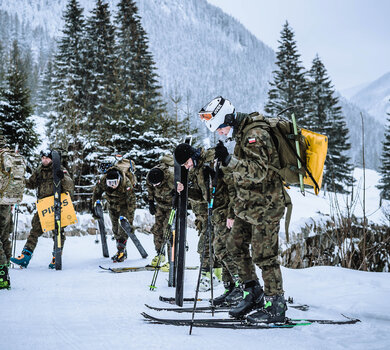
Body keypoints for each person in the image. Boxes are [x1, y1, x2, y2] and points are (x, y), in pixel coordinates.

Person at [198, 96, 289, 323]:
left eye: (220, 128)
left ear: (229, 119)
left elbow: (258, 172)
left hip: (266, 206)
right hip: (247, 206)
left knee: (264, 255)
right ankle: (253, 292)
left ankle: (275, 304)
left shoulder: (255, 135)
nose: (219, 133)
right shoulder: (241, 135)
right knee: (234, 245)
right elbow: (241, 177)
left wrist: (229, 161)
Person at [11, 149, 74, 269]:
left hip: (57, 204)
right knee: (35, 230)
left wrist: (62, 177)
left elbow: (70, 186)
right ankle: (26, 255)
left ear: (52, 159)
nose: (44, 160)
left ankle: (57, 256)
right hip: (43, 206)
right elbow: (31, 183)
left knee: (58, 231)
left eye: (47, 158)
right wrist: (20, 180)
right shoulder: (39, 170)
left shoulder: (59, 168)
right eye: (43, 158)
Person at [174, 144, 224, 292]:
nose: (187, 166)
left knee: (205, 246)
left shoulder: (207, 163)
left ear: (192, 156)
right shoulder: (196, 167)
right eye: (184, 165)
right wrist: (186, 191)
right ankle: (216, 275)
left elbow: (212, 194)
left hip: (216, 212)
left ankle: (206, 277)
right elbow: (202, 196)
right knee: (211, 245)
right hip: (204, 214)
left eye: (187, 162)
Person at [92, 164, 136, 263]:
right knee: (115, 229)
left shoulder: (126, 184)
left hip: (124, 206)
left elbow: (132, 203)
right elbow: (96, 194)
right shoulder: (103, 181)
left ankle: (121, 250)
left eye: (114, 182)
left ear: (119, 180)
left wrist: (129, 220)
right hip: (112, 206)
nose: (112, 185)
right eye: (110, 182)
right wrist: (95, 209)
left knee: (122, 229)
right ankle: (121, 250)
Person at [146, 154, 175, 270]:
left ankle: (171, 260)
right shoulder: (150, 176)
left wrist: (177, 198)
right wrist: (150, 202)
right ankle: (160, 254)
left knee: (168, 231)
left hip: (171, 207)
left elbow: (182, 190)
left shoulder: (171, 178)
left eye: (157, 184)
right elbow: (150, 189)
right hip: (160, 205)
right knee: (157, 229)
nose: (155, 186)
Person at [0, 134, 13, 288]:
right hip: (7, 202)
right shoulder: (10, 157)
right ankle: (5, 271)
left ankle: (2, 276)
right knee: (4, 237)